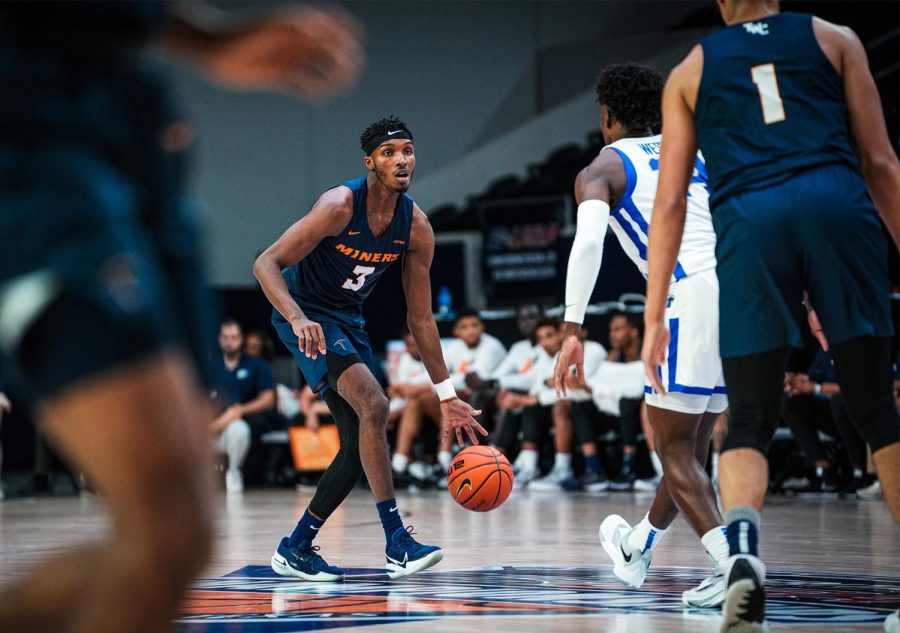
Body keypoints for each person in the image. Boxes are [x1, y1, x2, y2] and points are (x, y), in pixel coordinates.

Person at [0, 2, 364, 631]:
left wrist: (201, 39)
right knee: (165, 529)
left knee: (180, 536)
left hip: (132, 126)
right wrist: (203, 38)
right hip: (35, 133)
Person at [641, 2, 900, 630]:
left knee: (751, 416)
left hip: (751, 224)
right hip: (837, 205)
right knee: (878, 412)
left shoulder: (691, 69)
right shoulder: (836, 37)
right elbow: (881, 162)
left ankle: (746, 557)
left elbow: (671, 200)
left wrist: (653, 315)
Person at [253, 116, 484, 582]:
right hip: (306, 314)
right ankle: (397, 542)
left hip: (348, 319)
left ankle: (295, 548)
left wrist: (446, 394)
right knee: (375, 405)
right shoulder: (340, 205)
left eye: (408, 151)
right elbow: (266, 263)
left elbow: (421, 318)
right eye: (390, 152)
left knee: (357, 445)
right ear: (370, 162)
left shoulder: (416, 227)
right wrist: (298, 318)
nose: (402, 159)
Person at [555, 63, 730, 609]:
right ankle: (638, 545)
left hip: (690, 296)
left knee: (673, 448)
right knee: (690, 451)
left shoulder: (603, 166)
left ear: (607, 116)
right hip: (744, 290)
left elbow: (587, 246)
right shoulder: (694, 150)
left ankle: (735, 566)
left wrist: (572, 327)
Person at [211, 319, 277, 493]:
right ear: (219, 339)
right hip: (209, 420)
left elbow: (268, 399)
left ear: (241, 339)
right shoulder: (210, 364)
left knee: (241, 430)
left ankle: (234, 471)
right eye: (225, 337)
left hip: (238, 421)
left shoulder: (257, 365)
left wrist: (240, 410)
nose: (229, 342)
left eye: (233, 337)